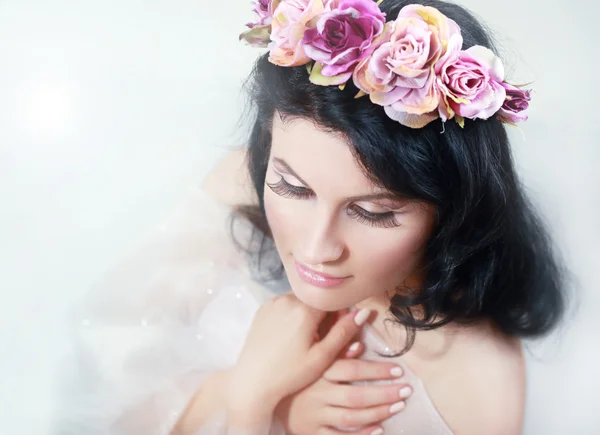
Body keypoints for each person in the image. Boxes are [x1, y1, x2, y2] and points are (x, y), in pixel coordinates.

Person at [56, 0, 566, 434]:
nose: (318, 248)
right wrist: (248, 392)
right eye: (291, 187)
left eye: (372, 212)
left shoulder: (478, 384)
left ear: (452, 208)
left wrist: (256, 410)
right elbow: (103, 394)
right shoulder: (241, 183)